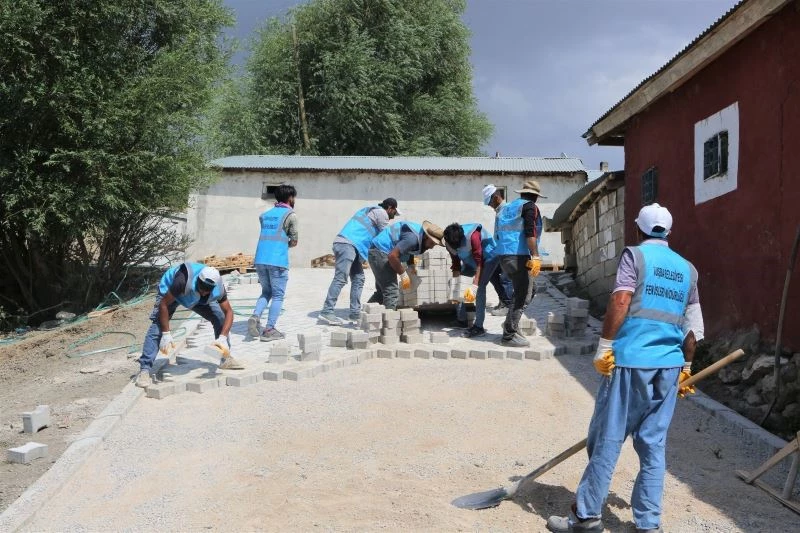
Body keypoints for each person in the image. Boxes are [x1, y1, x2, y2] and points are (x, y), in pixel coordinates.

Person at [546, 203, 704, 533]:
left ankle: (586, 516)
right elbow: (694, 329)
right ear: (669, 232)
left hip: (633, 362)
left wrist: (605, 346)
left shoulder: (635, 256)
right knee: (652, 446)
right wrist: (686, 365)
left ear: (638, 229)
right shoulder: (688, 269)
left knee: (607, 438)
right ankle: (648, 525)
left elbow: (620, 301)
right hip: (669, 367)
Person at [136, 263, 243, 388]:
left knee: (219, 317)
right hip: (171, 292)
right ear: (198, 280)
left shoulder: (218, 288)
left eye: (207, 290)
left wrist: (223, 337)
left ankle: (225, 359)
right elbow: (163, 305)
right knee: (158, 326)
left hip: (193, 297)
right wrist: (166, 333)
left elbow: (228, 312)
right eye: (201, 288)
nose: (203, 292)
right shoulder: (182, 280)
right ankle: (144, 370)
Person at [319, 198, 401, 325]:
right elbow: (385, 236)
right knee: (341, 278)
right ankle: (327, 311)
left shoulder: (370, 209)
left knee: (359, 278)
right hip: (347, 244)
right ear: (390, 208)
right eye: (394, 213)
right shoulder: (382, 214)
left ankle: (355, 313)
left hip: (352, 245)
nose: (393, 217)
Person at [493, 180, 545, 347]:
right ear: (535, 196)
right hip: (518, 255)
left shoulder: (506, 208)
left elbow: (497, 234)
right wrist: (535, 256)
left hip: (504, 255)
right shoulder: (529, 207)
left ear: (522, 193)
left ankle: (510, 322)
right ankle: (509, 335)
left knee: (531, 289)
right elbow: (530, 233)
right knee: (522, 295)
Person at [248, 184, 298, 342]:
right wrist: (286, 245)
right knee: (278, 295)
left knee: (266, 292)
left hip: (260, 259)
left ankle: (255, 316)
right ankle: (269, 329)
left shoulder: (265, 215)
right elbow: (294, 240)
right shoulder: (290, 215)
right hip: (277, 261)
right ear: (290, 198)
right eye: (294, 197)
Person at [368, 220, 443, 310]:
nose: (431, 247)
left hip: (378, 251)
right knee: (391, 292)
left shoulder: (419, 235)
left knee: (382, 292)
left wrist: (411, 266)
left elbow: (409, 249)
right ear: (426, 237)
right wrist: (403, 274)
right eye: (432, 243)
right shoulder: (412, 239)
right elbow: (392, 256)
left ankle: (366, 314)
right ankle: (389, 322)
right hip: (380, 252)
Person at [442, 222, 498, 338]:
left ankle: (479, 327)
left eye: (456, 245)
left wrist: (474, 285)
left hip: (488, 258)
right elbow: (456, 265)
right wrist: (455, 288)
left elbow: (479, 263)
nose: (455, 248)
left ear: (461, 239)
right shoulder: (449, 242)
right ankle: (461, 320)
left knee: (480, 288)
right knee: (456, 284)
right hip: (470, 260)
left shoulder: (473, 236)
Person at [483, 184, 514, 316]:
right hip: (501, 250)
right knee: (493, 273)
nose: (490, 205)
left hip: (509, 251)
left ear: (496, 197)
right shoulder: (500, 212)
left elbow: (510, 235)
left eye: (489, 202)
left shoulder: (507, 210)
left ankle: (508, 305)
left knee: (506, 279)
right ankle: (504, 300)